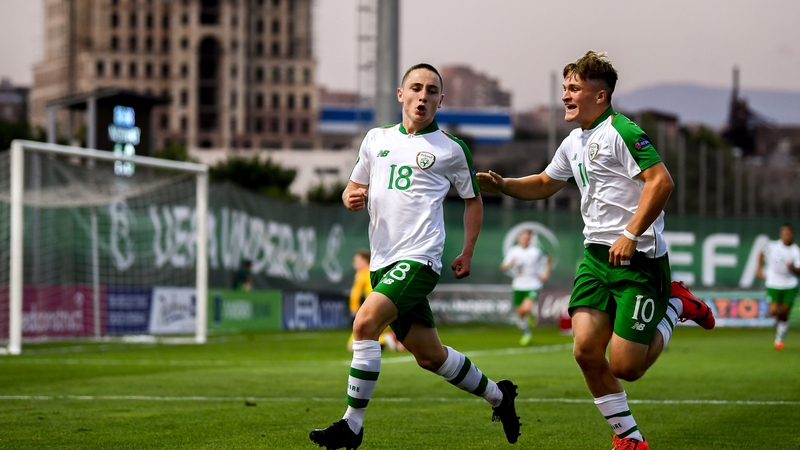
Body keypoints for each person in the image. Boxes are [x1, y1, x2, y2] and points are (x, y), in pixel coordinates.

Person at [477, 51, 715, 450]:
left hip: (638, 262)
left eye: (574, 88)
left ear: (600, 96)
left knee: (626, 367)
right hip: (595, 259)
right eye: (565, 88)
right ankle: (630, 439)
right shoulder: (574, 141)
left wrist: (631, 233)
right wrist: (504, 186)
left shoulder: (622, 130)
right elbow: (543, 183)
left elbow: (661, 182)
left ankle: (675, 304)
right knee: (586, 351)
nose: (566, 96)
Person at [309, 63, 520, 450]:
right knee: (430, 356)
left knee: (364, 324)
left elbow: (474, 202)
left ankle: (351, 425)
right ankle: (499, 396)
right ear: (400, 94)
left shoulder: (452, 149)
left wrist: (468, 251)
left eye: (432, 90)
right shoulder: (375, 139)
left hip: (420, 259)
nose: (424, 95)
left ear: (441, 100)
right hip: (383, 262)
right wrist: (350, 197)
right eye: (416, 87)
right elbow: (353, 188)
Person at [501, 229, 552, 346]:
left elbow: (549, 258)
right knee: (520, 314)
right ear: (519, 238)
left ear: (530, 239)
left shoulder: (536, 251)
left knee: (526, 308)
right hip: (518, 284)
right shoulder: (514, 251)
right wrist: (509, 264)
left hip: (533, 284)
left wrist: (546, 273)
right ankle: (527, 333)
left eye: (528, 238)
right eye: (524, 237)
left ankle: (531, 314)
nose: (525, 239)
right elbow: (503, 266)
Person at [347, 250, 401, 352]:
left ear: (364, 261)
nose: (354, 264)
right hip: (391, 309)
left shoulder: (362, 274)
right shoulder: (379, 270)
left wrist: (354, 310)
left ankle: (385, 339)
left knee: (354, 344)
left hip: (375, 311)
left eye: (357, 261)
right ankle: (390, 338)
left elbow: (355, 295)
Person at [757, 223, 800, 350]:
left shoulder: (796, 251)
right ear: (781, 234)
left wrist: (791, 268)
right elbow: (761, 254)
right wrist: (759, 269)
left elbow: (799, 270)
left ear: (792, 235)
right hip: (773, 283)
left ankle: (779, 339)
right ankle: (774, 316)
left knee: (785, 313)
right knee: (775, 310)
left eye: (788, 233)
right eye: (784, 233)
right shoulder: (772, 246)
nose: (786, 236)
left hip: (790, 285)